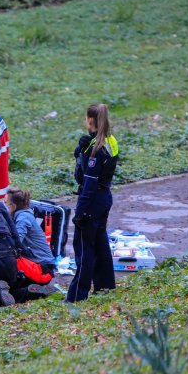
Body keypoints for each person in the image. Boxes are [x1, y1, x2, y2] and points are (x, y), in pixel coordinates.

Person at [66, 103, 119, 303]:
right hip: (104, 197)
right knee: (100, 244)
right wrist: (80, 149)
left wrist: (80, 212)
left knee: (84, 250)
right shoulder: (110, 141)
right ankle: (105, 287)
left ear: (90, 120)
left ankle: (77, 296)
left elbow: (88, 183)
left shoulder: (95, 150)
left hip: (92, 201)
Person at [3, 187, 56, 302]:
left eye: (5, 203)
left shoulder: (23, 218)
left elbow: (15, 242)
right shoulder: (22, 215)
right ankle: (32, 289)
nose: (3, 206)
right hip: (39, 265)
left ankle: (32, 291)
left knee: (7, 258)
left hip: (42, 269)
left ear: (13, 206)